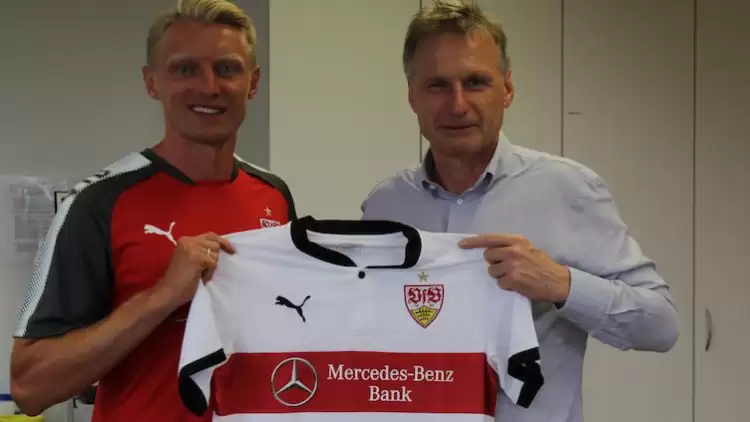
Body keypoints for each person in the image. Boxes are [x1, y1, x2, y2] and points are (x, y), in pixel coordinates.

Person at [360, 2, 679, 421]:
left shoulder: (569, 189)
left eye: (476, 82)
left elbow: (661, 325)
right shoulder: (384, 206)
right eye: (437, 85)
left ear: (507, 89)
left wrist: (561, 283)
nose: (458, 105)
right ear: (412, 95)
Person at [9, 1, 295, 421]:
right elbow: (29, 387)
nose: (209, 87)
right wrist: (161, 297)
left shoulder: (275, 196)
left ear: (253, 83)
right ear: (152, 82)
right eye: (185, 69)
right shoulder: (96, 203)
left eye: (227, 69)